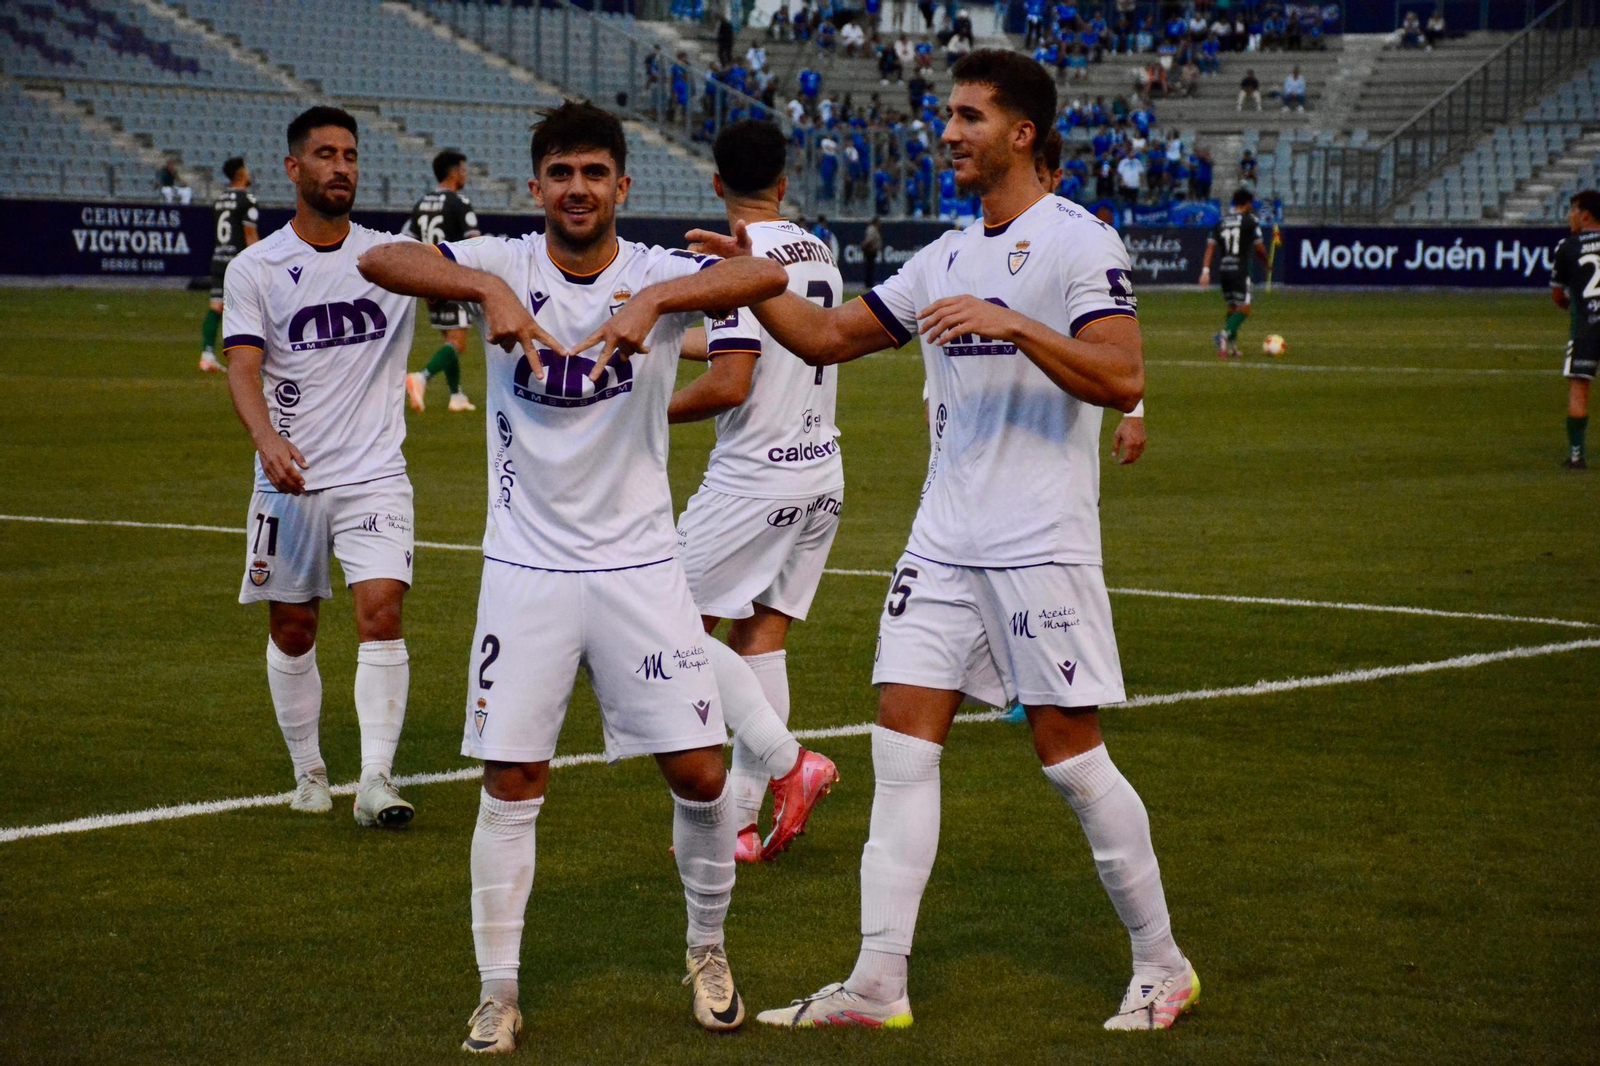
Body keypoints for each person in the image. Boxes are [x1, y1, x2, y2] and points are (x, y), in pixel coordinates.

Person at [690, 47, 1192, 1034]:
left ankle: (1162, 963)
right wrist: (749, 282)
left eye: (967, 116)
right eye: (948, 115)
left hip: (1039, 540)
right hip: (943, 541)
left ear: (1022, 131)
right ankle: (880, 980)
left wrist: (1014, 324)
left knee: (1069, 756)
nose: (948, 132)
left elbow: (1122, 374)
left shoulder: (1076, 242)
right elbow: (831, 336)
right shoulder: (949, 253)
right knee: (899, 745)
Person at [357, 101, 797, 1053]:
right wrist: (487, 290)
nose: (578, 189)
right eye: (561, 173)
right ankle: (497, 992)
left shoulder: (655, 272)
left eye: (596, 173)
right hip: (527, 570)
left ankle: (708, 949)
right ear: (536, 187)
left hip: (641, 568)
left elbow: (767, 272)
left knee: (703, 772)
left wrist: (657, 305)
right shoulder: (506, 263)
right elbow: (377, 261)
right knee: (511, 782)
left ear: (623, 187)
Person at [221, 106, 418, 829]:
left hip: (374, 475)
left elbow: (483, 272)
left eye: (351, 155)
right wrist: (266, 438)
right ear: (294, 169)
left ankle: (375, 779)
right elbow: (243, 367)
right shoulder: (258, 268)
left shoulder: (390, 258)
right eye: (327, 155)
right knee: (294, 630)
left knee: (381, 612)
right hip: (291, 479)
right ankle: (309, 772)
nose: (342, 168)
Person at [669, 121, 847, 862]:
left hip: (755, 476)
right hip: (820, 469)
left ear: (716, 184)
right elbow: (755, 342)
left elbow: (730, 378)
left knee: (662, 629)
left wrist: (643, 409)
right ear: (785, 178)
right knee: (760, 640)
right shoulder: (818, 251)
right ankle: (740, 825)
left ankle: (786, 762)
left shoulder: (734, 259)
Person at [403, 149, 482, 414]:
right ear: (454, 172)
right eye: (463, 168)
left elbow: (409, 240)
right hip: (452, 279)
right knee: (457, 342)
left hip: (427, 281)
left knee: (449, 338)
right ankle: (421, 378)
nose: (465, 174)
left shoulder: (421, 203)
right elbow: (475, 242)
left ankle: (456, 396)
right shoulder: (460, 203)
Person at [1549, 189, 1600, 470]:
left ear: (1586, 215)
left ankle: (1577, 455)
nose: (1570, 217)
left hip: (1586, 327)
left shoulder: (1567, 246)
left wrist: (1573, 305)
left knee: (1579, 388)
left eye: (1572, 211)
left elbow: (1557, 295)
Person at [199, 155, 259, 374]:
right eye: (247, 169)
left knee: (216, 306)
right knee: (252, 309)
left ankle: (206, 355)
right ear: (241, 173)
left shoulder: (220, 200)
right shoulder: (247, 200)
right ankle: (249, 360)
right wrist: (260, 261)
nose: (249, 173)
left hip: (219, 258)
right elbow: (250, 235)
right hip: (238, 262)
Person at [1198, 187, 1268, 359]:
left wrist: (1205, 271)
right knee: (1244, 309)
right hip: (1241, 269)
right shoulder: (1251, 220)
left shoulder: (1220, 222)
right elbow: (1259, 247)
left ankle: (1231, 347)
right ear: (1248, 203)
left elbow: (1210, 247)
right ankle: (1224, 335)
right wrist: (1267, 263)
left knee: (1232, 308)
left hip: (1224, 270)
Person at [860, 214, 884, 288]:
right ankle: (868, 283)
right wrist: (864, 245)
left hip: (872, 251)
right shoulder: (871, 229)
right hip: (870, 251)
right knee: (869, 267)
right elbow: (869, 240)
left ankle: (870, 282)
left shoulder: (874, 229)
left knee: (871, 267)